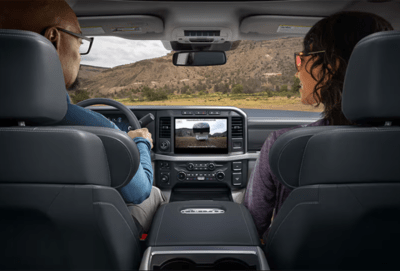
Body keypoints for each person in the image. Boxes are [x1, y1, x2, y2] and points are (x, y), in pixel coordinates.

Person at [0, 0, 165, 233]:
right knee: (155, 194)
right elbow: (139, 191)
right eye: (79, 41)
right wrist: (140, 142)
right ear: (52, 38)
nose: (80, 56)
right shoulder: (96, 128)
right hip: (84, 247)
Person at [243, 11, 394, 241]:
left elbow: (251, 228)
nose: (297, 71)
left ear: (330, 66)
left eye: (301, 59)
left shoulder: (285, 145)